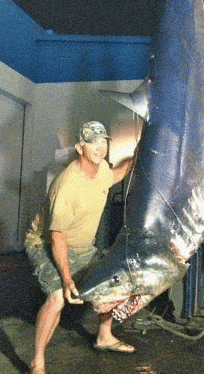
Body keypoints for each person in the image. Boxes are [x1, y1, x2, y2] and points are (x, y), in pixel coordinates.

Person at [24, 121, 135, 374]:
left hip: (83, 246)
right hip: (44, 243)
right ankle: (37, 362)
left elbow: (116, 175)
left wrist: (134, 159)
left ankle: (104, 336)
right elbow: (57, 236)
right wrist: (65, 278)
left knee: (110, 280)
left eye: (103, 141)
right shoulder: (66, 185)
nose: (100, 147)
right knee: (57, 298)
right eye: (93, 142)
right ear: (79, 147)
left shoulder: (102, 169)